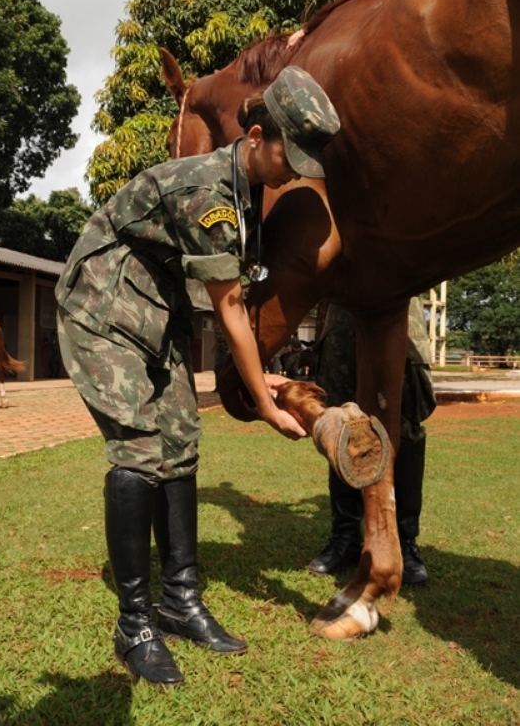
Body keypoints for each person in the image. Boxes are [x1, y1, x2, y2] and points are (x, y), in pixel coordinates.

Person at [55, 66, 340, 688]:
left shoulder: (246, 194)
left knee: (180, 443)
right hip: (103, 308)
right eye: (287, 155)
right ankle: (135, 624)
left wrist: (258, 373)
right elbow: (230, 305)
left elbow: (224, 300)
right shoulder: (208, 188)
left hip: (158, 311)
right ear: (257, 136)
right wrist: (264, 402)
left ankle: (179, 602)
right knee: (139, 451)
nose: (294, 170)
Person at [308, 297, 436, 585]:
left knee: (404, 420)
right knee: (343, 423)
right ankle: (346, 537)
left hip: (400, 301)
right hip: (344, 307)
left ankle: (404, 541)